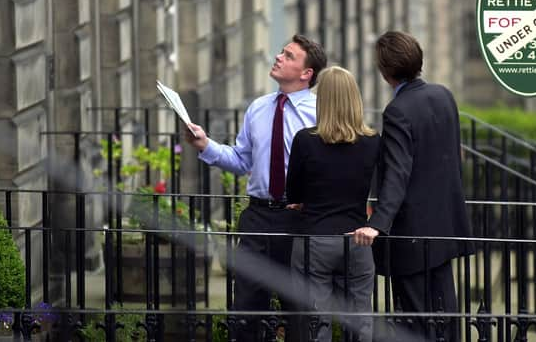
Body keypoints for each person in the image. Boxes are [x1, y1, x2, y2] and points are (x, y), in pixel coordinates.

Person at [184, 34, 327, 342]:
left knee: (298, 309)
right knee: (246, 307)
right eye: (281, 51)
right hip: (257, 217)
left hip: (298, 220)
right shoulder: (259, 108)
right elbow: (240, 159)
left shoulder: (321, 113)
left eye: (289, 56)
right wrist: (205, 144)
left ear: (306, 74)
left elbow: (332, 169)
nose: (278, 57)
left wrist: (315, 203)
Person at [350, 31, 473, 342]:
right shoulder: (444, 95)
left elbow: (397, 173)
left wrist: (377, 223)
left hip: (412, 234)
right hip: (444, 225)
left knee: (416, 320)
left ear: (385, 72)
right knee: (446, 313)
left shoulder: (398, 111)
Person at [286, 66, 380, 342]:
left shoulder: (305, 140)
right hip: (357, 239)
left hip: (315, 237)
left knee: (316, 321)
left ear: (323, 100)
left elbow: (293, 193)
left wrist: (305, 201)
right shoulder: (373, 141)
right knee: (361, 319)